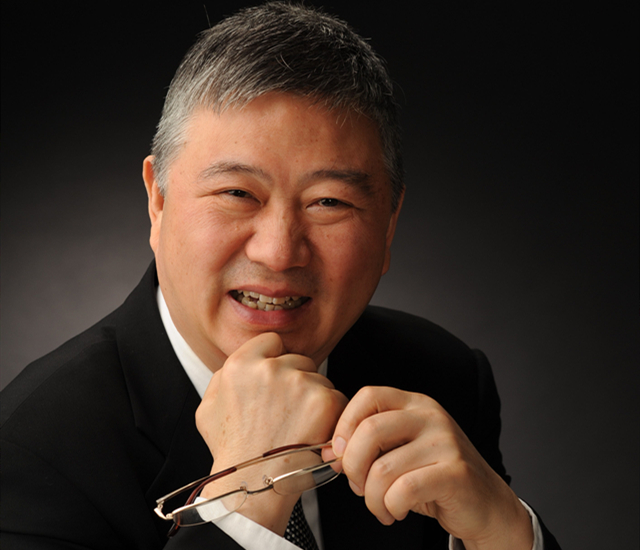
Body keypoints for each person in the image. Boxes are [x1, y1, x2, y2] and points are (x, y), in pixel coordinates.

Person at [0, 3, 561, 549]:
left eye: (329, 202)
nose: (278, 253)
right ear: (158, 201)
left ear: (389, 225)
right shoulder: (32, 449)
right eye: (237, 193)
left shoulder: (440, 377)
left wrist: (505, 532)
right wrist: (244, 498)